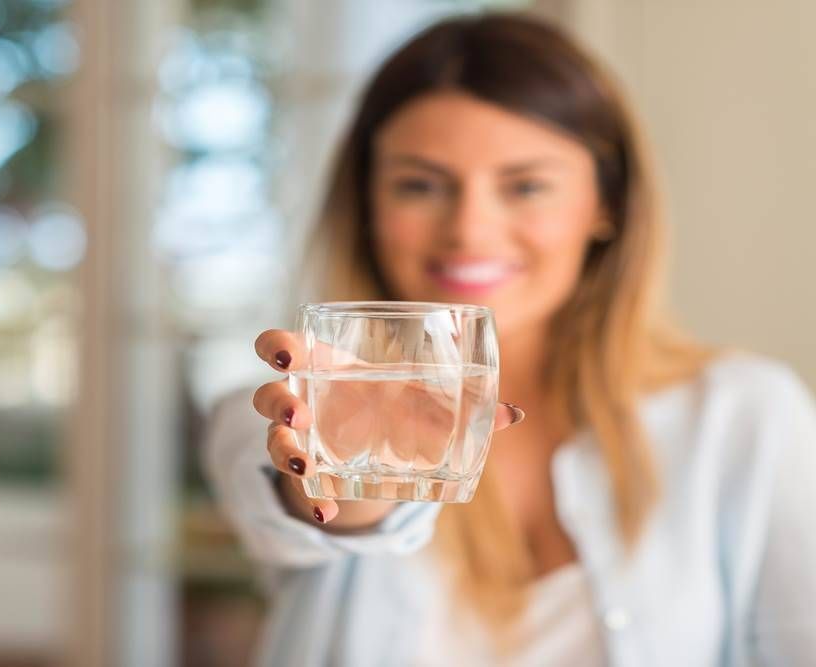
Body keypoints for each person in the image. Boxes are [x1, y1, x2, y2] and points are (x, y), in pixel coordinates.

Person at [202, 12, 816, 666]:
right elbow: (288, 500)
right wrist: (351, 478)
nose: (469, 229)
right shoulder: (281, 407)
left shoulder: (743, 414)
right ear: (369, 203)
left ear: (606, 203)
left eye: (525, 185)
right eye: (419, 184)